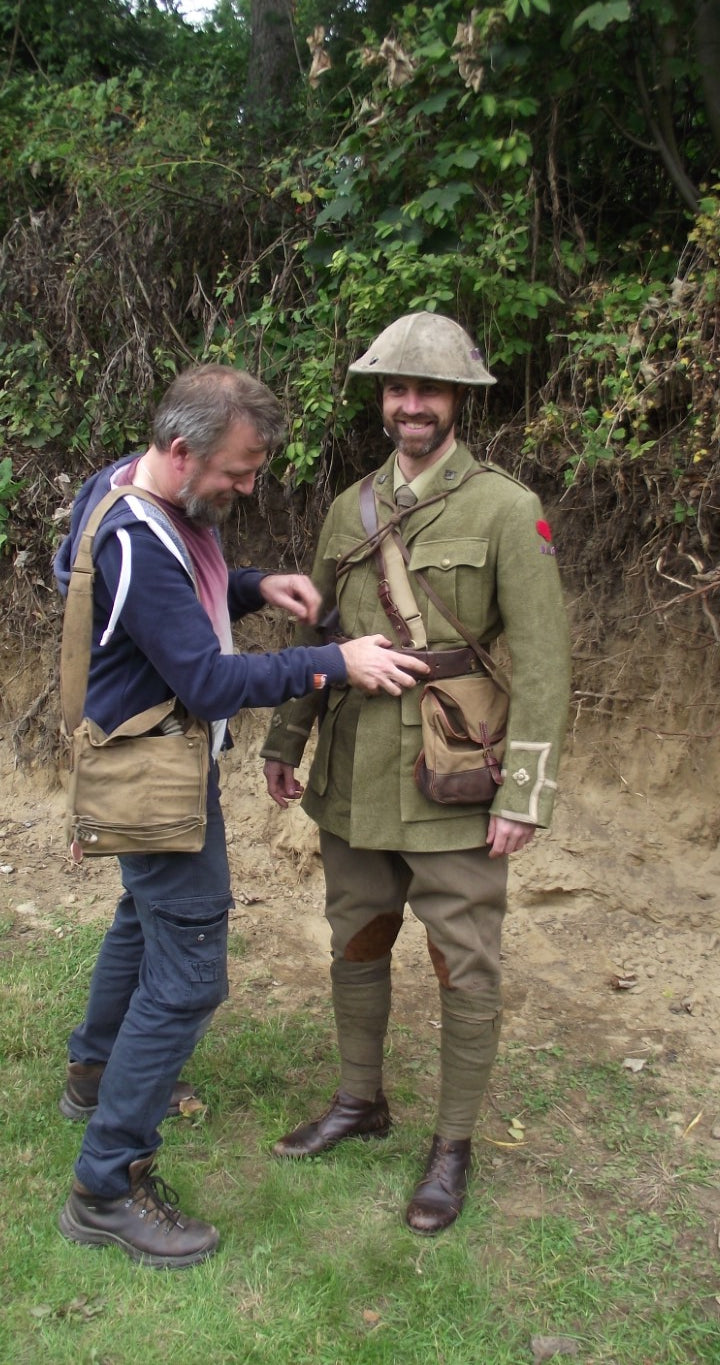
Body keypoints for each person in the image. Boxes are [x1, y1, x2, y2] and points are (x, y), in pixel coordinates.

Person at [53, 362, 428, 1269]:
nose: (249, 486)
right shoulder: (138, 543)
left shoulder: (125, 485)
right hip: (157, 775)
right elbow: (211, 677)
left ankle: (94, 1070)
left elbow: (185, 601)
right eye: (238, 470)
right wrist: (334, 662)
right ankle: (107, 1181)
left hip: (153, 761)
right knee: (187, 976)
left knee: (144, 921)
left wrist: (257, 585)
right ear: (181, 452)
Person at [261, 313, 571, 1236]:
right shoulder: (348, 507)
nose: (410, 405)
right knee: (354, 934)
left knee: (462, 958)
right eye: (397, 389)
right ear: (382, 400)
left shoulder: (508, 509)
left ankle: (453, 1145)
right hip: (355, 768)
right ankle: (361, 1102)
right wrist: (287, 739)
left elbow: (546, 662)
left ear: (459, 401)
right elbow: (318, 637)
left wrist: (527, 791)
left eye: (428, 390)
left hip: (457, 773)